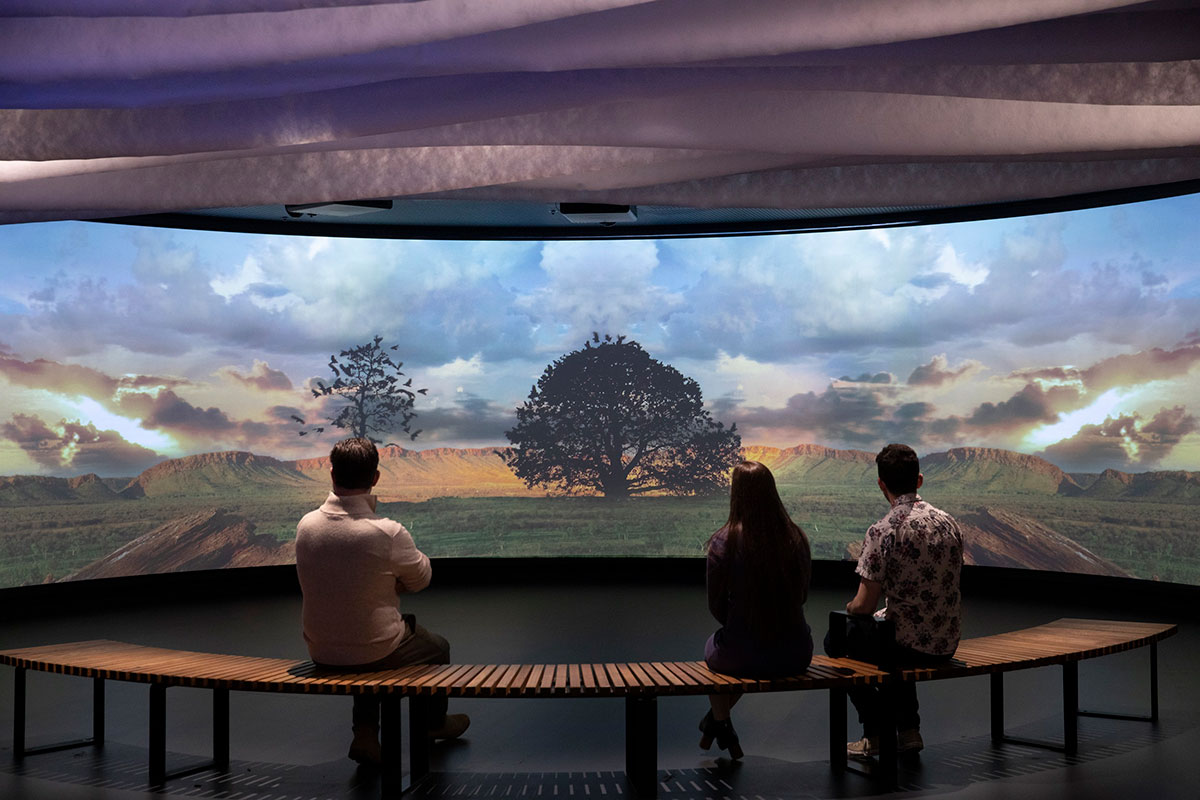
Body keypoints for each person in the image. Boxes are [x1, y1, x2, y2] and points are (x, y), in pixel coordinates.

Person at [295, 437, 469, 766]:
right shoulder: (387, 533)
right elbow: (421, 579)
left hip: (320, 649)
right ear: (375, 478)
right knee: (435, 647)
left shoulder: (306, 526)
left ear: (331, 473)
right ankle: (434, 724)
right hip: (373, 651)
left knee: (362, 633)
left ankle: (364, 734)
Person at [837, 443, 963, 760]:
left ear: (881, 484)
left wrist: (849, 612)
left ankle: (875, 732)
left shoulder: (884, 530)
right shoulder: (950, 523)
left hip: (907, 646)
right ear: (918, 480)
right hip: (947, 643)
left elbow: (863, 605)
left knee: (839, 638)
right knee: (893, 627)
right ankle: (909, 732)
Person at [700, 460, 813, 759]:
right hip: (795, 653)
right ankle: (716, 722)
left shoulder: (724, 541)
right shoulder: (797, 537)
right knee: (735, 651)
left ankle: (720, 721)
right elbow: (801, 596)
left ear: (736, 495)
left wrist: (740, 626)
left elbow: (716, 606)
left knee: (716, 651)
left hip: (741, 652)